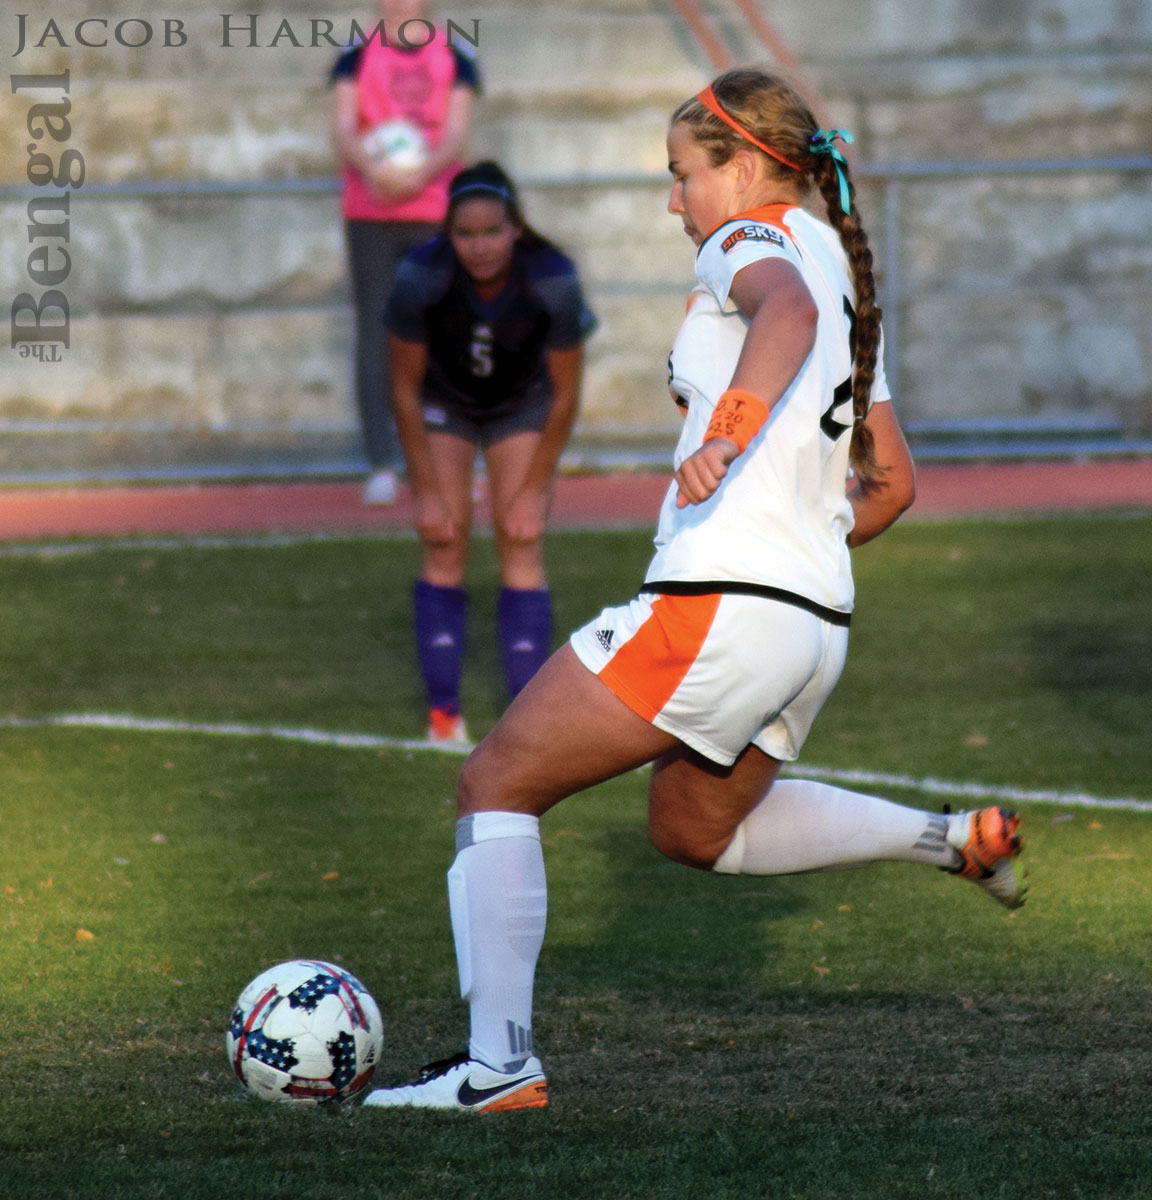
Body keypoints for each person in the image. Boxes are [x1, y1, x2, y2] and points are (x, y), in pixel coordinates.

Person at [363, 67, 1025, 1113]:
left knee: (494, 783)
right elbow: (892, 487)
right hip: (812, 627)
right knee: (691, 829)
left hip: (721, 601)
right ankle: (947, 839)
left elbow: (784, 313)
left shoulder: (753, 243)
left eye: (682, 176)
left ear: (749, 166)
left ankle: (498, 1069)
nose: (675, 201)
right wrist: (798, 538)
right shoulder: (852, 284)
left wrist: (722, 438)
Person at [387, 162, 597, 742]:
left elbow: (565, 394)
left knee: (521, 538)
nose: (479, 247)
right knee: (443, 538)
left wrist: (533, 488)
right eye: (465, 234)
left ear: (516, 229)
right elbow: (403, 390)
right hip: (444, 404)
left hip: (522, 405)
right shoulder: (419, 276)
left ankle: (524, 720)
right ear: (447, 235)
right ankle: (443, 714)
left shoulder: (553, 279)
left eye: (492, 232)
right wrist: (425, 490)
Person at [329, 0, 481, 505]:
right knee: (375, 333)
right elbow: (344, 128)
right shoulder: (355, 56)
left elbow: (456, 133)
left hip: (434, 210)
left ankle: (445, 459)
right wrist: (377, 171)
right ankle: (380, 463)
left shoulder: (454, 56)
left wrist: (421, 171)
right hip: (370, 215)